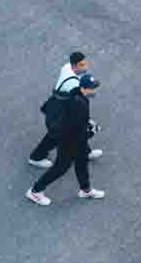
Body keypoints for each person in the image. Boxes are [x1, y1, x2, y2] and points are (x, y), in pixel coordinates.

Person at [27, 73, 102, 206]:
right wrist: (91, 132)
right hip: (69, 141)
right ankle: (35, 191)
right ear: (85, 88)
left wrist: (88, 123)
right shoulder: (79, 105)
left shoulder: (77, 95)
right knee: (60, 168)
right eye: (92, 87)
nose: (95, 90)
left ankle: (86, 189)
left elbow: (78, 122)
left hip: (71, 137)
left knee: (81, 162)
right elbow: (76, 133)